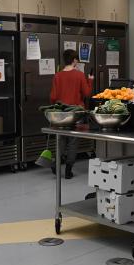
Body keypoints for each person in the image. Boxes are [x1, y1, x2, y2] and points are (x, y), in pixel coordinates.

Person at [49, 49, 94, 179]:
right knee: (73, 141)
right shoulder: (79, 75)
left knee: (62, 139)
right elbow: (86, 94)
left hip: (62, 113)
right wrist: (90, 80)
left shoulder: (57, 75)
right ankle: (68, 170)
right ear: (74, 60)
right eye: (77, 60)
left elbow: (53, 97)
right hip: (76, 112)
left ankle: (56, 163)